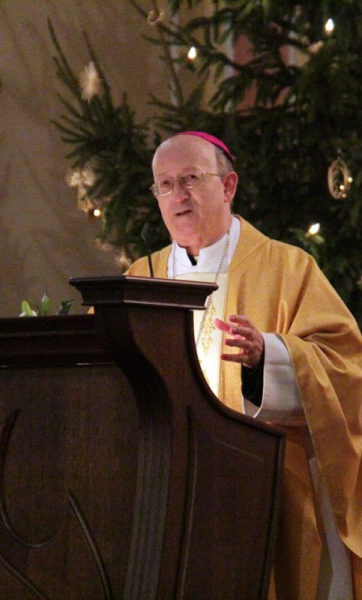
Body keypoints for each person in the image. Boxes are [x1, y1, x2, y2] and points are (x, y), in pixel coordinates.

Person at [127, 131, 362, 600]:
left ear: (228, 186)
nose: (178, 195)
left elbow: (346, 365)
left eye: (191, 179)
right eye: (165, 185)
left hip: (271, 483)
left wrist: (268, 357)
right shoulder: (139, 277)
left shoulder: (287, 267)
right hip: (167, 485)